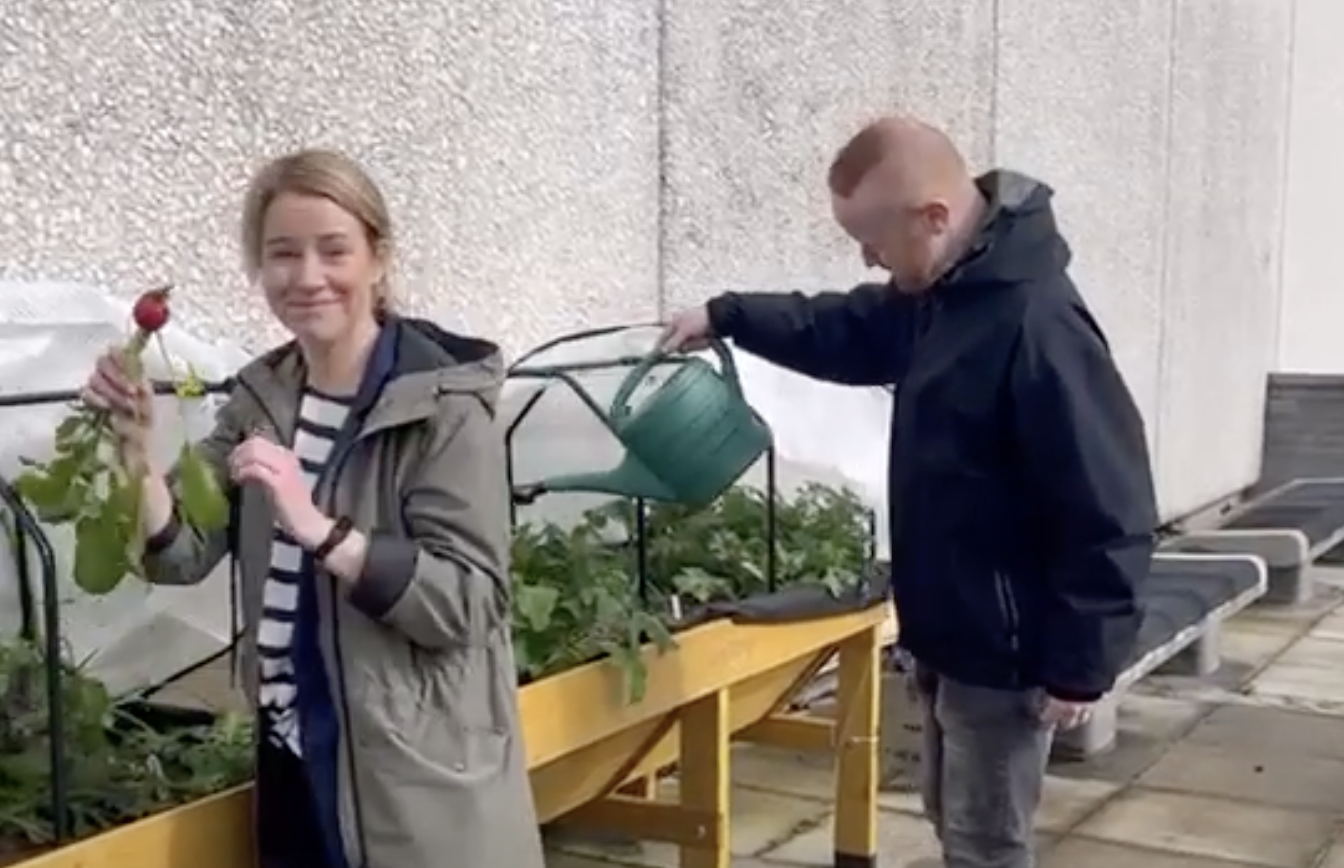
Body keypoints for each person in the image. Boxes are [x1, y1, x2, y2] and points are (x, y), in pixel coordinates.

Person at [660, 117, 1157, 868]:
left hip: (1006, 652)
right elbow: (843, 328)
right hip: (945, 633)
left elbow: (1109, 503)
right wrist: (728, 316)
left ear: (933, 217)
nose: (866, 258)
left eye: (874, 239)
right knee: (948, 817)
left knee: (986, 843)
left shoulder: (1035, 324)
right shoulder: (942, 297)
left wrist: (1083, 660)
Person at [81, 149, 545, 868]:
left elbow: (468, 604)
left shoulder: (444, 408)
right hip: (295, 752)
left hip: (412, 770)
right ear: (259, 269)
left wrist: (320, 529)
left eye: (333, 250)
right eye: (282, 254)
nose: (306, 277)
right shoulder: (261, 399)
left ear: (378, 258)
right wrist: (139, 456)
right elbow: (181, 553)